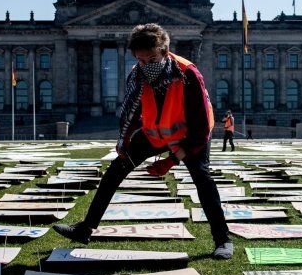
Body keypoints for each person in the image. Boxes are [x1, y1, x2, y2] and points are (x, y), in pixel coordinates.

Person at [53, 23, 233, 259]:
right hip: (155, 133)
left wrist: (170, 161)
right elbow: (132, 113)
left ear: (165, 52)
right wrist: (125, 143)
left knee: (203, 180)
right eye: (141, 60)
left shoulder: (188, 74)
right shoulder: (137, 75)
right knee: (116, 170)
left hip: (191, 135)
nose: (146, 66)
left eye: (151, 59)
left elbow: (200, 130)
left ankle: (223, 240)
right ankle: (85, 228)